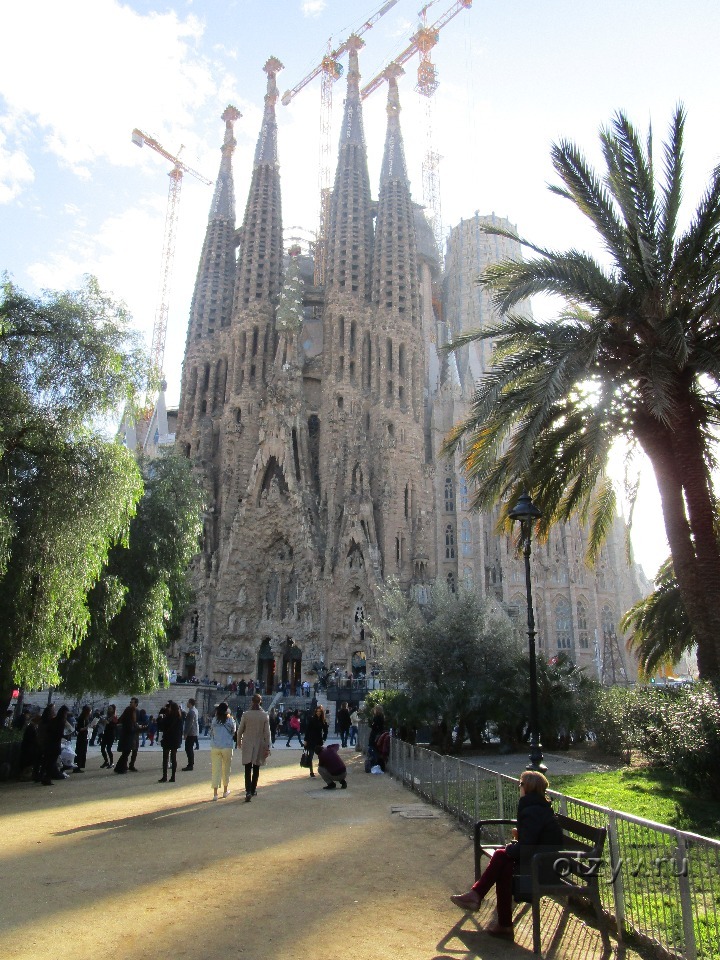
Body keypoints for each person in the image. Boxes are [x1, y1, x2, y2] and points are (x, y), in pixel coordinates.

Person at [450, 771, 564, 939]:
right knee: (504, 864)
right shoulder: (538, 807)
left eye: (521, 784)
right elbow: (532, 842)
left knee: (501, 857)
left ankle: (479, 897)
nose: (519, 787)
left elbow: (527, 848)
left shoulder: (532, 810)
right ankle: (501, 923)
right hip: (543, 863)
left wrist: (510, 848)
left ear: (528, 788)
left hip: (542, 869)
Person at [236, 693, 271, 802]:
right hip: (259, 743)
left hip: (247, 742)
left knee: (247, 767)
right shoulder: (264, 715)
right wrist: (268, 747)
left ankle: (247, 791)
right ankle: (253, 789)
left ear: (252, 701)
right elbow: (267, 733)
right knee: (256, 767)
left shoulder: (246, 714)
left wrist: (238, 742)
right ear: (260, 702)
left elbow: (240, 730)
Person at [209, 701, 236, 800]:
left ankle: (215, 793)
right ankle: (225, 790)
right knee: (226, 768)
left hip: (215, 746)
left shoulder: (214, 720)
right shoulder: (230, 720)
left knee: (215, 770)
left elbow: (211, 731)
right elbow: (234, 731)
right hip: (227, 746)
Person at [157, 701, 183, 783]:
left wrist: (160, 716)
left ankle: (165, 776)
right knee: (173, 757)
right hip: (175, 739)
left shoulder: (168, 717)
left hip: (168, 738)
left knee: (165, 758)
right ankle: (173, 777)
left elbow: (161, 726)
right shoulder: (179, 718)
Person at [303, 704, 328, 779]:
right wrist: (305, 740)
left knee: (321, 756)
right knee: (310, 756)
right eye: (317, 711)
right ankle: (311, 772)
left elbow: (326, 731)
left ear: (322, 712)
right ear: (315, 712)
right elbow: (308, 730)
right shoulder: (312, 719)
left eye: (320, 711)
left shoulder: (323, 720)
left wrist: (324, 738)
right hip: (311, 740)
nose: (318, 713)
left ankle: (321, 770)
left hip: (319, 740)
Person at [114, 703, 137, 774]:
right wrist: (138, 729)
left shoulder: (125, 719)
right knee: (126, 754)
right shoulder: (129, 721)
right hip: (128, 739)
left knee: (125, 754)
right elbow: (131, 730)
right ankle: (120, 768)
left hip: (125, 738)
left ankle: (120, 767)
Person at [182, 698, 199, 771]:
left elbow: (190, 723)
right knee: (189, 748)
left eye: (188, 702)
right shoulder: (194, 710)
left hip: (191, 732)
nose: (187, 704)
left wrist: (186, 733)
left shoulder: (192, 712)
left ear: (190, 703)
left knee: (188, 748)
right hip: (193, 732)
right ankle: (190, 764)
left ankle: (190, 764)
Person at [99, 704, 117, 769]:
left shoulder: (114, 717)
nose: (109, 710)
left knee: (108, 749)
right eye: (108, 709)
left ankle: (111, 762)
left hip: (111, 734)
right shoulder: (107, 716)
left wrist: (108, 723)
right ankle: (106, 761)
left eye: (110, 709)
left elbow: (114, 726)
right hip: (106, 733)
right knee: (102, 748)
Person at [74, 705, 92, 770]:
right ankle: (77, 766)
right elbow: (79, 729)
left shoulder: (85, 718)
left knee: (82, 751)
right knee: (80, 751)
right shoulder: (82, 719)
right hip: (82, 736)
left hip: (84, 736)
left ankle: (79, 765)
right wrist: (86, 727)